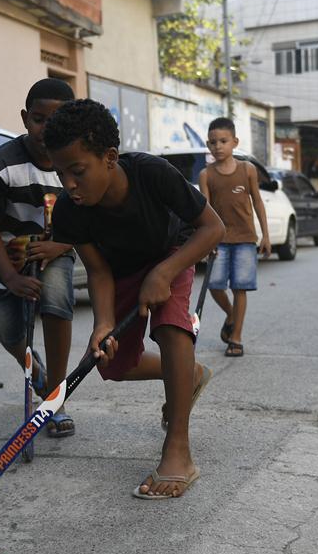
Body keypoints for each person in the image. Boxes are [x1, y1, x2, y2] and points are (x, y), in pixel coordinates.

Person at [44, 99, 225, 499]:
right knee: (114, 364)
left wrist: (164, 272)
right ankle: (187, 374)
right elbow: (99, 271)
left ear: (109, 158)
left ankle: (178, 450)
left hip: (172, 252)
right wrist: (103, 323)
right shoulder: (71, 213)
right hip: (122, 270)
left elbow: (213, 227)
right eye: (60, 174)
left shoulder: (152, 174)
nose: (69, 184)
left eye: (77, 171)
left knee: (171, 326)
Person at [0, 78, 78, 437]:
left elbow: (89, 223)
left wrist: (61, 247)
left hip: (55, 248)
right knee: (6, 330)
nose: (46, 129)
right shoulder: (2, 164)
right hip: (3, 254)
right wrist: (11, 277)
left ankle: (54, 396)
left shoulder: (77, 165)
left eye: (57, 120)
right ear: (24, 118)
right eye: (39, 119)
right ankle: (40, 375)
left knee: (55, 299)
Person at [199, 117, 271, 357]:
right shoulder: (206, 175)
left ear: (234, 142)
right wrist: (205, 242)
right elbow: (205, 212)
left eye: (223, 141)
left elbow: (258, 202)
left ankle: (236, 338)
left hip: (245, 239)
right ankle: (231, 315)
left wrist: (266, 235)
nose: (217, 146)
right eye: (212, 142)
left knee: (240, 287)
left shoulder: (247, 170)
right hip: (218, 239)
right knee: (215, 285)